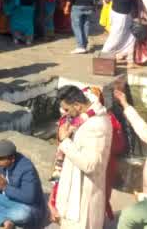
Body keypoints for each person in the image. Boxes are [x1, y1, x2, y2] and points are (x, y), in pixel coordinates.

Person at [51, 85, 112, 229]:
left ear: (78, 106)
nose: (65, 114)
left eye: (67, 109)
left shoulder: (97, 125)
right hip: (73, 187)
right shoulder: (85, 118)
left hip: (83, 195)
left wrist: (65, 141)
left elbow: (90, 165)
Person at [0, 138, 44, 228]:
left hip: (23, 206)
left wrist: (6, 188)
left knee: (23, 214)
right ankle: (4, 220)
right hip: (6, 200)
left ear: (12, 159)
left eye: (0, 158)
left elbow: (29, 197)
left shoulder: (27, 169)